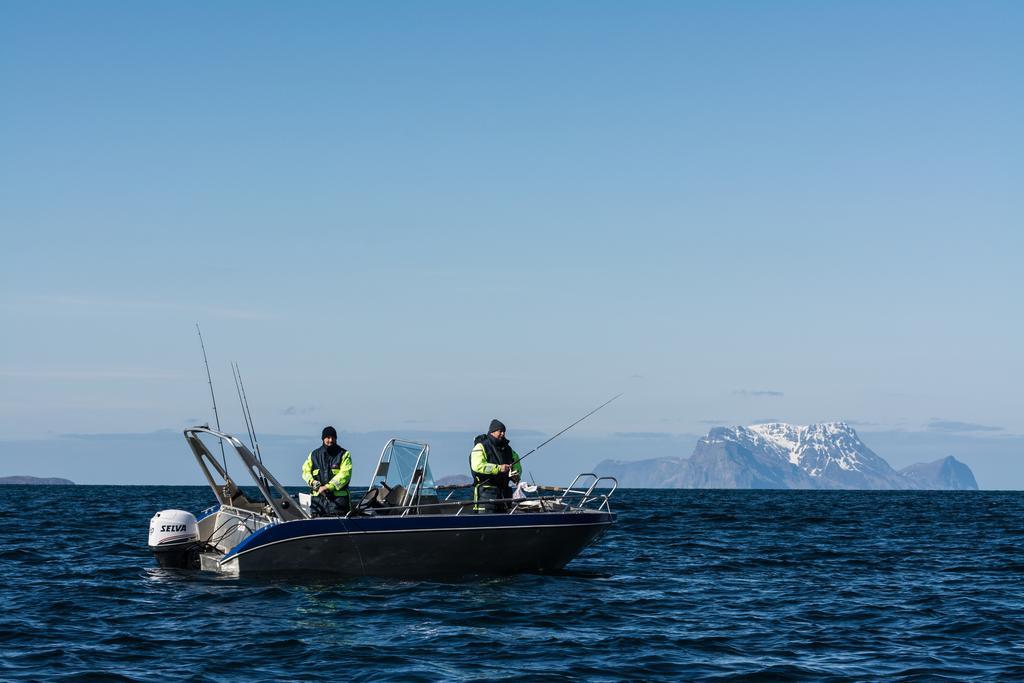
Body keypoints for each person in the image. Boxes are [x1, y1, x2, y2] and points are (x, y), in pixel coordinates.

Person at [470, 419, 522, 513]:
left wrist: (516, 474)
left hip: (505, 494)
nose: (503, 434)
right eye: (500, 431)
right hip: (486, 493)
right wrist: (498, 468)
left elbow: (516, 462)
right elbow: (477, 466)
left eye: (504, 432)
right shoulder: (481, 447)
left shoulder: (508, 449)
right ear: (492, 431)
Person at [302, 426, 352, 517]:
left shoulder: (344, 454)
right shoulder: (313, 455)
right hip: (317, 502)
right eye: (328, 437)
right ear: (323, 438)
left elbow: (345, 474)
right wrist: (313, 482)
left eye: (333, 437)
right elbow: (305, 472)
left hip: (338, 502)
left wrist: (328, 487)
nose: (330, 440)